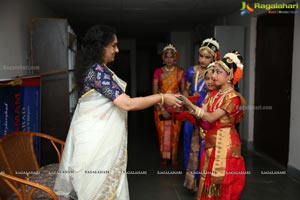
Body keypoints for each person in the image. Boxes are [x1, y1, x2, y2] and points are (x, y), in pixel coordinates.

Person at [53, 25, 183, 200]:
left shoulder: (99, 69)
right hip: (94, 141)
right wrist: (161, 97)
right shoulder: (97, 72)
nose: (117, 50)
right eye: (113, 45)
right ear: (101, 46)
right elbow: (127, 103)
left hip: (99, 138)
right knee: (95, 189)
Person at [183, 52, 246, 200]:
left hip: (225, 144)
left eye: (218, 72)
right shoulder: (215, 94)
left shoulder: (233, 98)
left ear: (230, 76)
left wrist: (189, 104)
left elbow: (210, 117)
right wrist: (187, 110)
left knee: (222, 183)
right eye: (214, 72)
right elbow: (202, 113)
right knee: (207, 178)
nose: (214, 76)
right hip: (212, 141)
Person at [181, 38, 220, 190]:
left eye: (207, 57)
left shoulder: (215, 72)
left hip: (207, 110)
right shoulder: (191, 70)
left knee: (204, 145)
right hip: (191, 109)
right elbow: (185, 89)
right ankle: (191, 179)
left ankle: (203, 180)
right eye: (201, 56)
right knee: (188, 142)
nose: (203, 60)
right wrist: (186, 102)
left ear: (214, 57)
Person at [152, 43, 185, 168]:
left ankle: (174, 157)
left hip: (177, 106)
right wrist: (161, 107)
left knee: (175, 133)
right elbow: (154, 92)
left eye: (172, 56)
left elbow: (183, 91)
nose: (169, 59)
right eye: (167, 56)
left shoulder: (180, 72)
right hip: (161, 106)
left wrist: (184, 104)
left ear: (175, 57)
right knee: (162, 133)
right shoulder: (158, 72)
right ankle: (164, 157)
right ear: (163, 58)